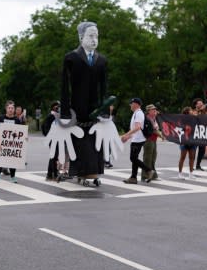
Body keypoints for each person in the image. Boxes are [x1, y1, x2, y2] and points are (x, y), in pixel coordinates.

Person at [59, 21, 109, 182]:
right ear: (81, 37)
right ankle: (83, 174)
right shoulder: (71, 58)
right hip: (77, 110)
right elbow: (65, 87)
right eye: (90, 36)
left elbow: (104, 88)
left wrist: (104, 111)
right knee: (81, 144)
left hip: (95, 111)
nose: (94, 40)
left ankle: (93, 174)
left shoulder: (101, 60)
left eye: (97, 36)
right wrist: (65, 112)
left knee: (95, 145)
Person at [121, 97, 153, 184]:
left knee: (133, 158)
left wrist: (126, 134)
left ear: (136, 104)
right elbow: (135, 129)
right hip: (137, 138)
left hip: (138, 140)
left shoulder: (138, 113)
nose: (130, 105)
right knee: (134, 158)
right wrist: (128, 137)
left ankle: (148, 170)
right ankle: (133, 177)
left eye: (131, 103)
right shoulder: (136, 113)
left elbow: (138, 127)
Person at [0, 101, 21, 182]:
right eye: (9, 108)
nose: (10, 109)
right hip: (2, 142)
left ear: (14, 109)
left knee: (13, 159)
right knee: (1, 158)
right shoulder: (1, 118)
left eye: (12, 108)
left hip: (13, 143)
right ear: (6, 109)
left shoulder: (17, 120)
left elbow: (21, 131)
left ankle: (13, 177)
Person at [142, 103, 164, 182]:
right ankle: (145, 176)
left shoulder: (153, 118)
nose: (155, 110)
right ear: (148, 111)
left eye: (155, 109)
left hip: (153, 140)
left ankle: (153, 175)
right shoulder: (148, 118)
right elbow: (154, 130)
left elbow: (156, 128)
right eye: (153, 109)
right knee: (147, 158)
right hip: (148, 140)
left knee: (153, 158)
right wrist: (161, 135)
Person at [42, 101, 62, 180]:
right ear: (53, 107)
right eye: (57, 106)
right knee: (54, 156)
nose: (58, 108)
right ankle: (54, 173)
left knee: (53, 156)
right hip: (52, 139)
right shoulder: (51, 116)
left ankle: (50, 174)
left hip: (58, 139)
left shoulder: (58, 116)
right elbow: (45, 127)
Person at [177, 106, 197, 179]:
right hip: (184, 140)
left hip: (192, 140)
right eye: (190, 110)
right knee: (182, 157)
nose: (192, 111)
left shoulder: (194, 118)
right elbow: (179, 127)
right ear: (187, 112)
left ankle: (191, 173)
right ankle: (180, 173)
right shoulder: (182, 119)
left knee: (192, 157)